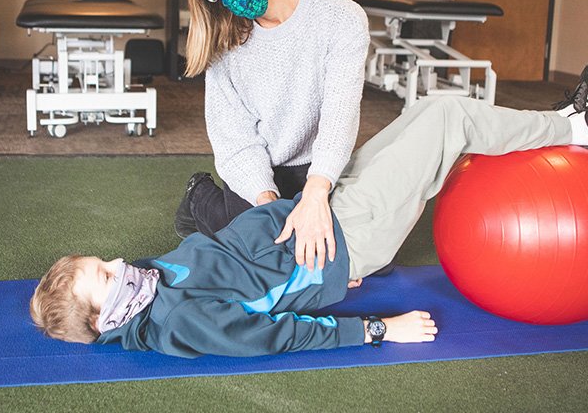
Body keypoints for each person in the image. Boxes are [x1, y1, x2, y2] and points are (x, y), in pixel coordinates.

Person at [30, 67, 588, 358]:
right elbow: (275, 335)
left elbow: (233, 263)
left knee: (429, 109)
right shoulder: (178, 320)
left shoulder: (144, 286)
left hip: (318, 208)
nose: (120, 260)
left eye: (102, 260)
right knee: (449, 123)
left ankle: (563, 118)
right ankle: (573, 128)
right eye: (106, 274)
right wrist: (380, 330)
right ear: (110, 319)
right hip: (346, 234)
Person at [176, 0, 370, 273]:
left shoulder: (341, 16)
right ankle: (198, 197)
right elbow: (234, 139)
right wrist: (268, 204)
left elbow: (339, 114)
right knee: (263, 260)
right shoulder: (226, 41)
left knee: (352, 257)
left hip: (316, 164)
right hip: (259, 166)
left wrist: (316, 191)